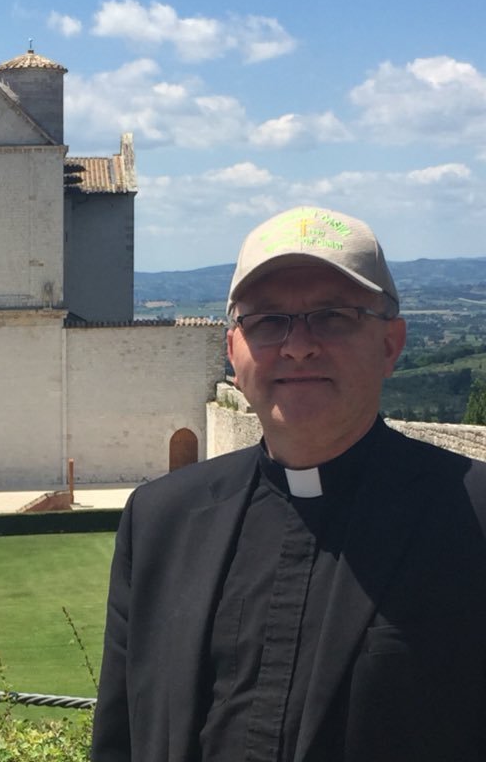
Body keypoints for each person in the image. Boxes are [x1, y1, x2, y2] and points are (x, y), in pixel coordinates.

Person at [92, 205, 486, 762]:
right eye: (268, 320)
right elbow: (119, 741)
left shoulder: (475, 518)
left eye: (333, 315)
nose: (298, 346)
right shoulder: (159, 522)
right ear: (233, 351)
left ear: (391, 345)